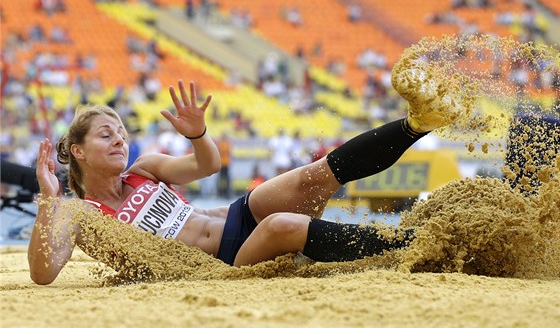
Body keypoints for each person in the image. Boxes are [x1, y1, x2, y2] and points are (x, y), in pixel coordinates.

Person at [29, 72, 461, 285]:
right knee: (283, 227)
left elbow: (207, 166)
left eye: (122, 132)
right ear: (79, 151)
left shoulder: (143, 171)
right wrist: (48, 199)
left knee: (314, 175)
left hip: (236, 219)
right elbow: (44, 273)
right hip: (219, 265)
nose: (121, 139)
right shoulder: (79, 212)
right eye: (107, 134)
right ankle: (420, 246)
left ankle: (417, 125)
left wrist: (197, 134)